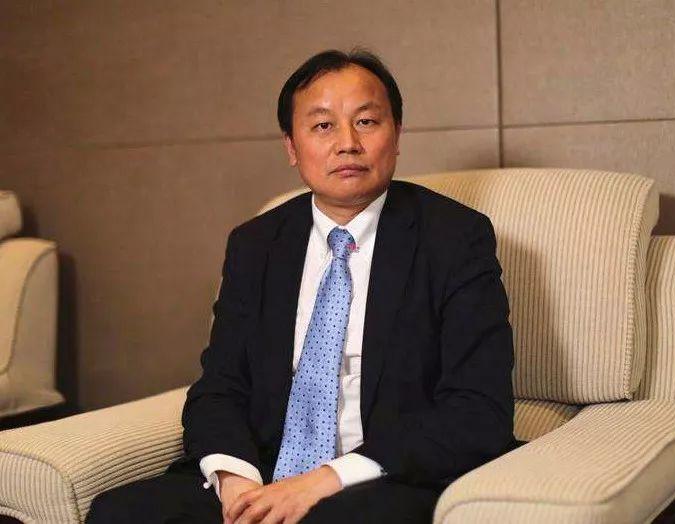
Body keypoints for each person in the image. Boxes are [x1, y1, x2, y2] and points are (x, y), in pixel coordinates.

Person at [87, 48, 515, 524]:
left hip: (386, 476)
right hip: (263, 470)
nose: (347, 143)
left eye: (366, 121)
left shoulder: (455, 237)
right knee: (119, 513)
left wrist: (323, 480)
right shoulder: (255, 244)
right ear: (291, 147)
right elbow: (220, 387)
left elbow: (478, 410)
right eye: (323, 125)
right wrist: (236, 482)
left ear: (396, 135)